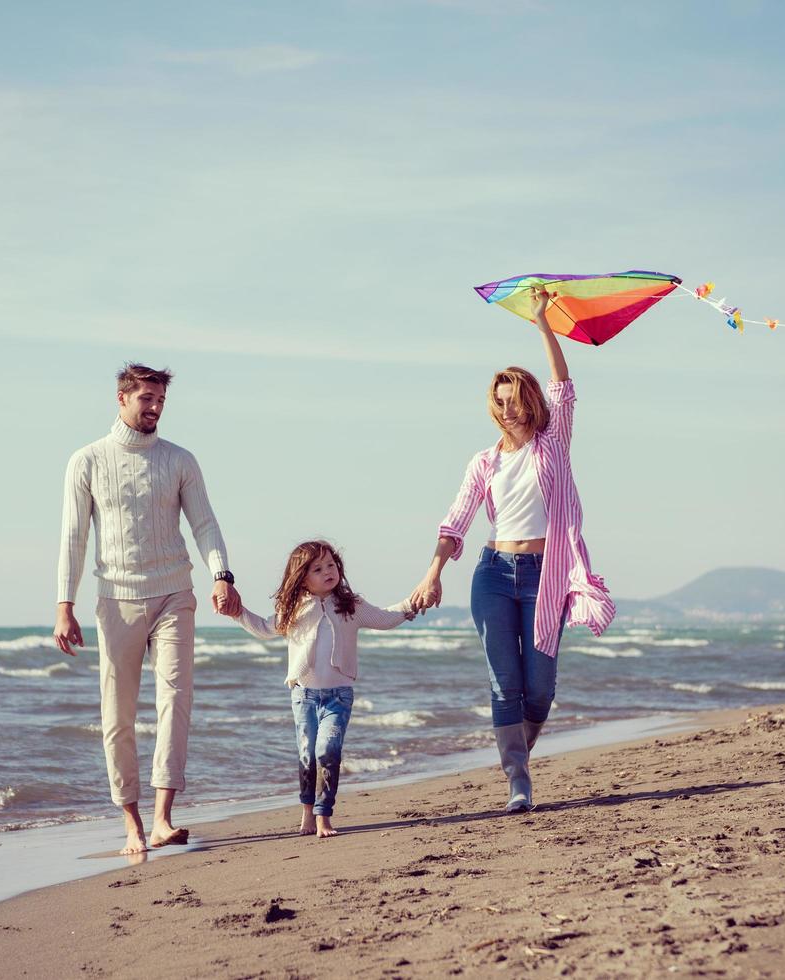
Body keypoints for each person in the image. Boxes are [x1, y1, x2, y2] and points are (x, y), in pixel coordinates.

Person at [409, 289, 615, 812]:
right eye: (497, 402)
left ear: (529, 400)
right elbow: (455, 518)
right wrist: (433, 572)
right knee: (505, 683)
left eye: (513, 399)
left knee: (539, 687)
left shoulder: (553, 444)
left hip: (546, 575)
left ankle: (518, 756)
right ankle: (518, 780)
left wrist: (543, 323)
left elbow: (565, 388)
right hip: (493, 575)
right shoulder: (484, 462)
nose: (506, 410)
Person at [53, 362, 241, 855]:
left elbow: (204, 523)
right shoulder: (87, 461)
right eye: (146, 400)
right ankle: (131, 821)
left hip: (175, 592)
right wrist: (64, 605)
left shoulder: (179, 460)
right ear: (122, 399)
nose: (155, 408)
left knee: (175, 700)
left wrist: (221, 574)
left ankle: (162, 818)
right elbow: (73, 538)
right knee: (117, 715)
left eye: (160, 401)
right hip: (116, 599)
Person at [230, 540, 415, 838]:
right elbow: (264, 628)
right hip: (303, 696)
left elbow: (384, 618)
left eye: (331, 565)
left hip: (338, 696)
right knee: (307, 755)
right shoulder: (292, 610)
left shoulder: (350, 605)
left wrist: (412, 605)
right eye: (317, 569)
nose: (327, 571)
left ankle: (323, 816)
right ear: (302, 577)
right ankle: (307, 811)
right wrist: (236, 613)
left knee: (327, 751)